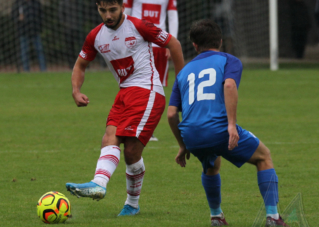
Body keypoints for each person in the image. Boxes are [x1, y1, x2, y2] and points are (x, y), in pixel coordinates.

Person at [65, 0, 184, 216]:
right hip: (124, 93)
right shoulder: (95, 36)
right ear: (97, 9)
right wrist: (75, 90)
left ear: (122, 7)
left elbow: (173, 44)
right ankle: (99, 184)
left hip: (147, 91)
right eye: (103, 11)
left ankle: (131, 203)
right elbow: (80, 65)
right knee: (110, 138)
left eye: (113, 10)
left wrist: (182, 84)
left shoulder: (139, 26)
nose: (108, 15)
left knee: (130, 150)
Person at [167, 19, 288, 226]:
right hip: (219, 129)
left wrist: (182, 144)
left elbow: (171, 114)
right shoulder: (229, 60)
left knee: (212, 165)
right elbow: (230, 85)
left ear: (195, 46)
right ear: (220, 41)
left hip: (192, 135)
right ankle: (273, 218)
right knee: (264, 157)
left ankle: (216, 217)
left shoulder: (183, 73)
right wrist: (231, 125)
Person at [124, 0, 178, 141]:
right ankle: (131, 125)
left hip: (158, 45)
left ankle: (146, 129)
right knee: (134, 85)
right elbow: (126, 12)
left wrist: (172, 43)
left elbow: (173, 16)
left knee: (155, 88)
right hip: (137, 43)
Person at [12, 0, 46, 72]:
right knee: (24, 51)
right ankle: (26, 69)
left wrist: (39, 25)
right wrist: (19, 20)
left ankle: (43, 69)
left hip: (35, 30)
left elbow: (41, 15)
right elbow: (13, 16)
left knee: (39, 50)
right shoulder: (18, 3)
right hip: (23, 31)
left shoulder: (36, 3)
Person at [58, 0, 86, 69]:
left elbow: (84, 14)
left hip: (78, 28)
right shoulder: (63, 3)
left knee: (82, 47)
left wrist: (82, 23)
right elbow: (61, 15)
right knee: (70, 48)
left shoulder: (79, 3)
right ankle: (71, 65)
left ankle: (83, 64)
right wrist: (65, 25)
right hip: (68, 29)